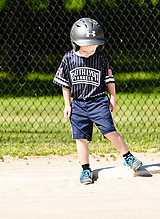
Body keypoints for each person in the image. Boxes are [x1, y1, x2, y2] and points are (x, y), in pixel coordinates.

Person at [53, 17, 142, 184]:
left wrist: (113, 97)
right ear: (75, 43)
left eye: (93, 49)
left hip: (98, 101)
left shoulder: (100, 58)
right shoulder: (68, 58)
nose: (89, 52)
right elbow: (65, 84)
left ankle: (128, 157)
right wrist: (67, 104)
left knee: (109, 130)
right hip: (78, 103)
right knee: (81, 137)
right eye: (86, 49)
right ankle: (85, 169)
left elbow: (109, 80)